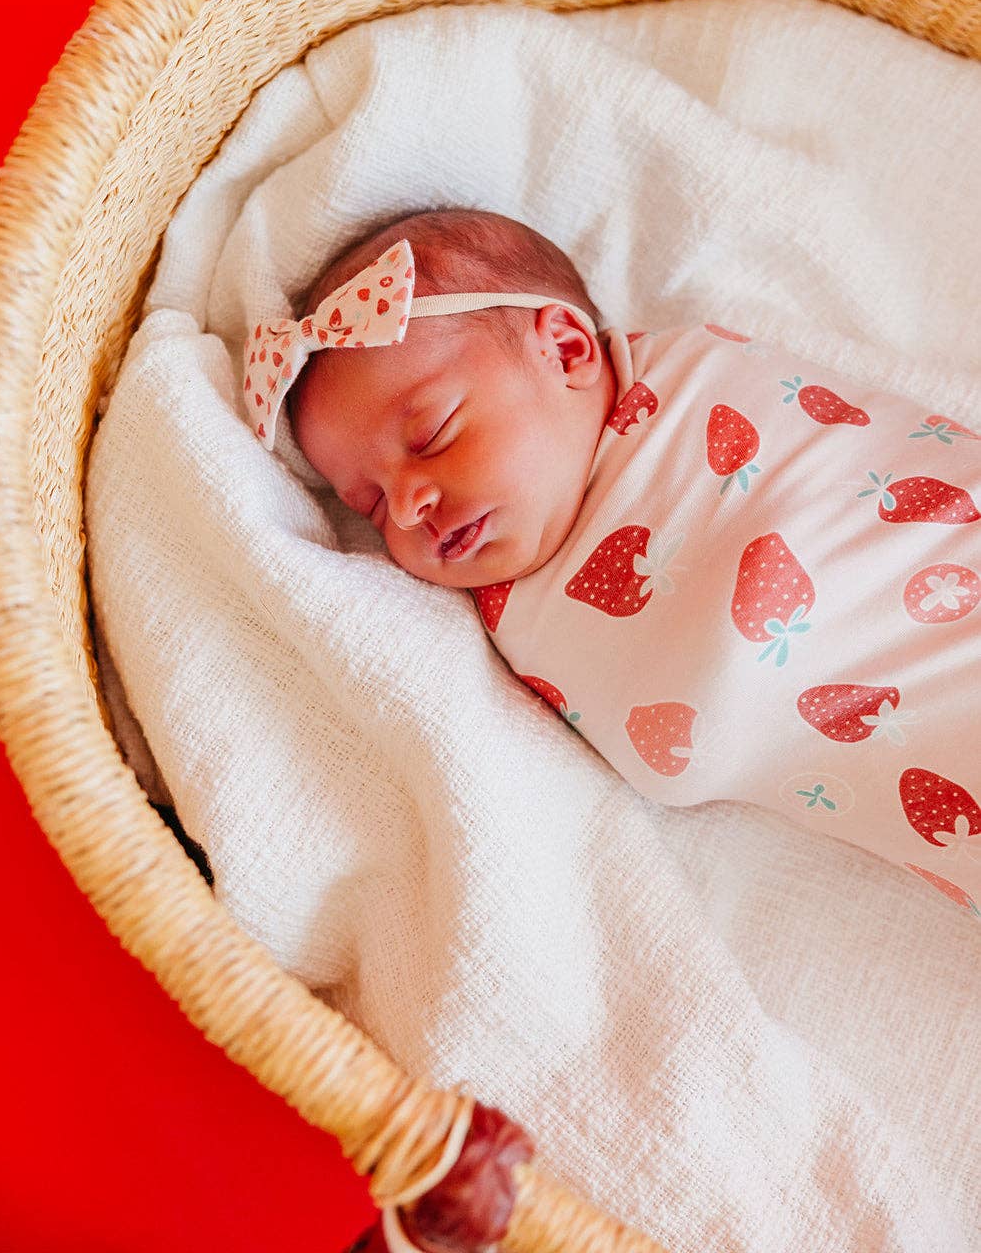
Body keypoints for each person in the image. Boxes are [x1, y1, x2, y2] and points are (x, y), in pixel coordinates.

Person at [243, 206, 981, 918]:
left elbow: (846, 472)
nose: (406, 508)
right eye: (369, 504)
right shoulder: (500, 627)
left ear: (564, 350)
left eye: (433, 434)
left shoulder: (693, 387)